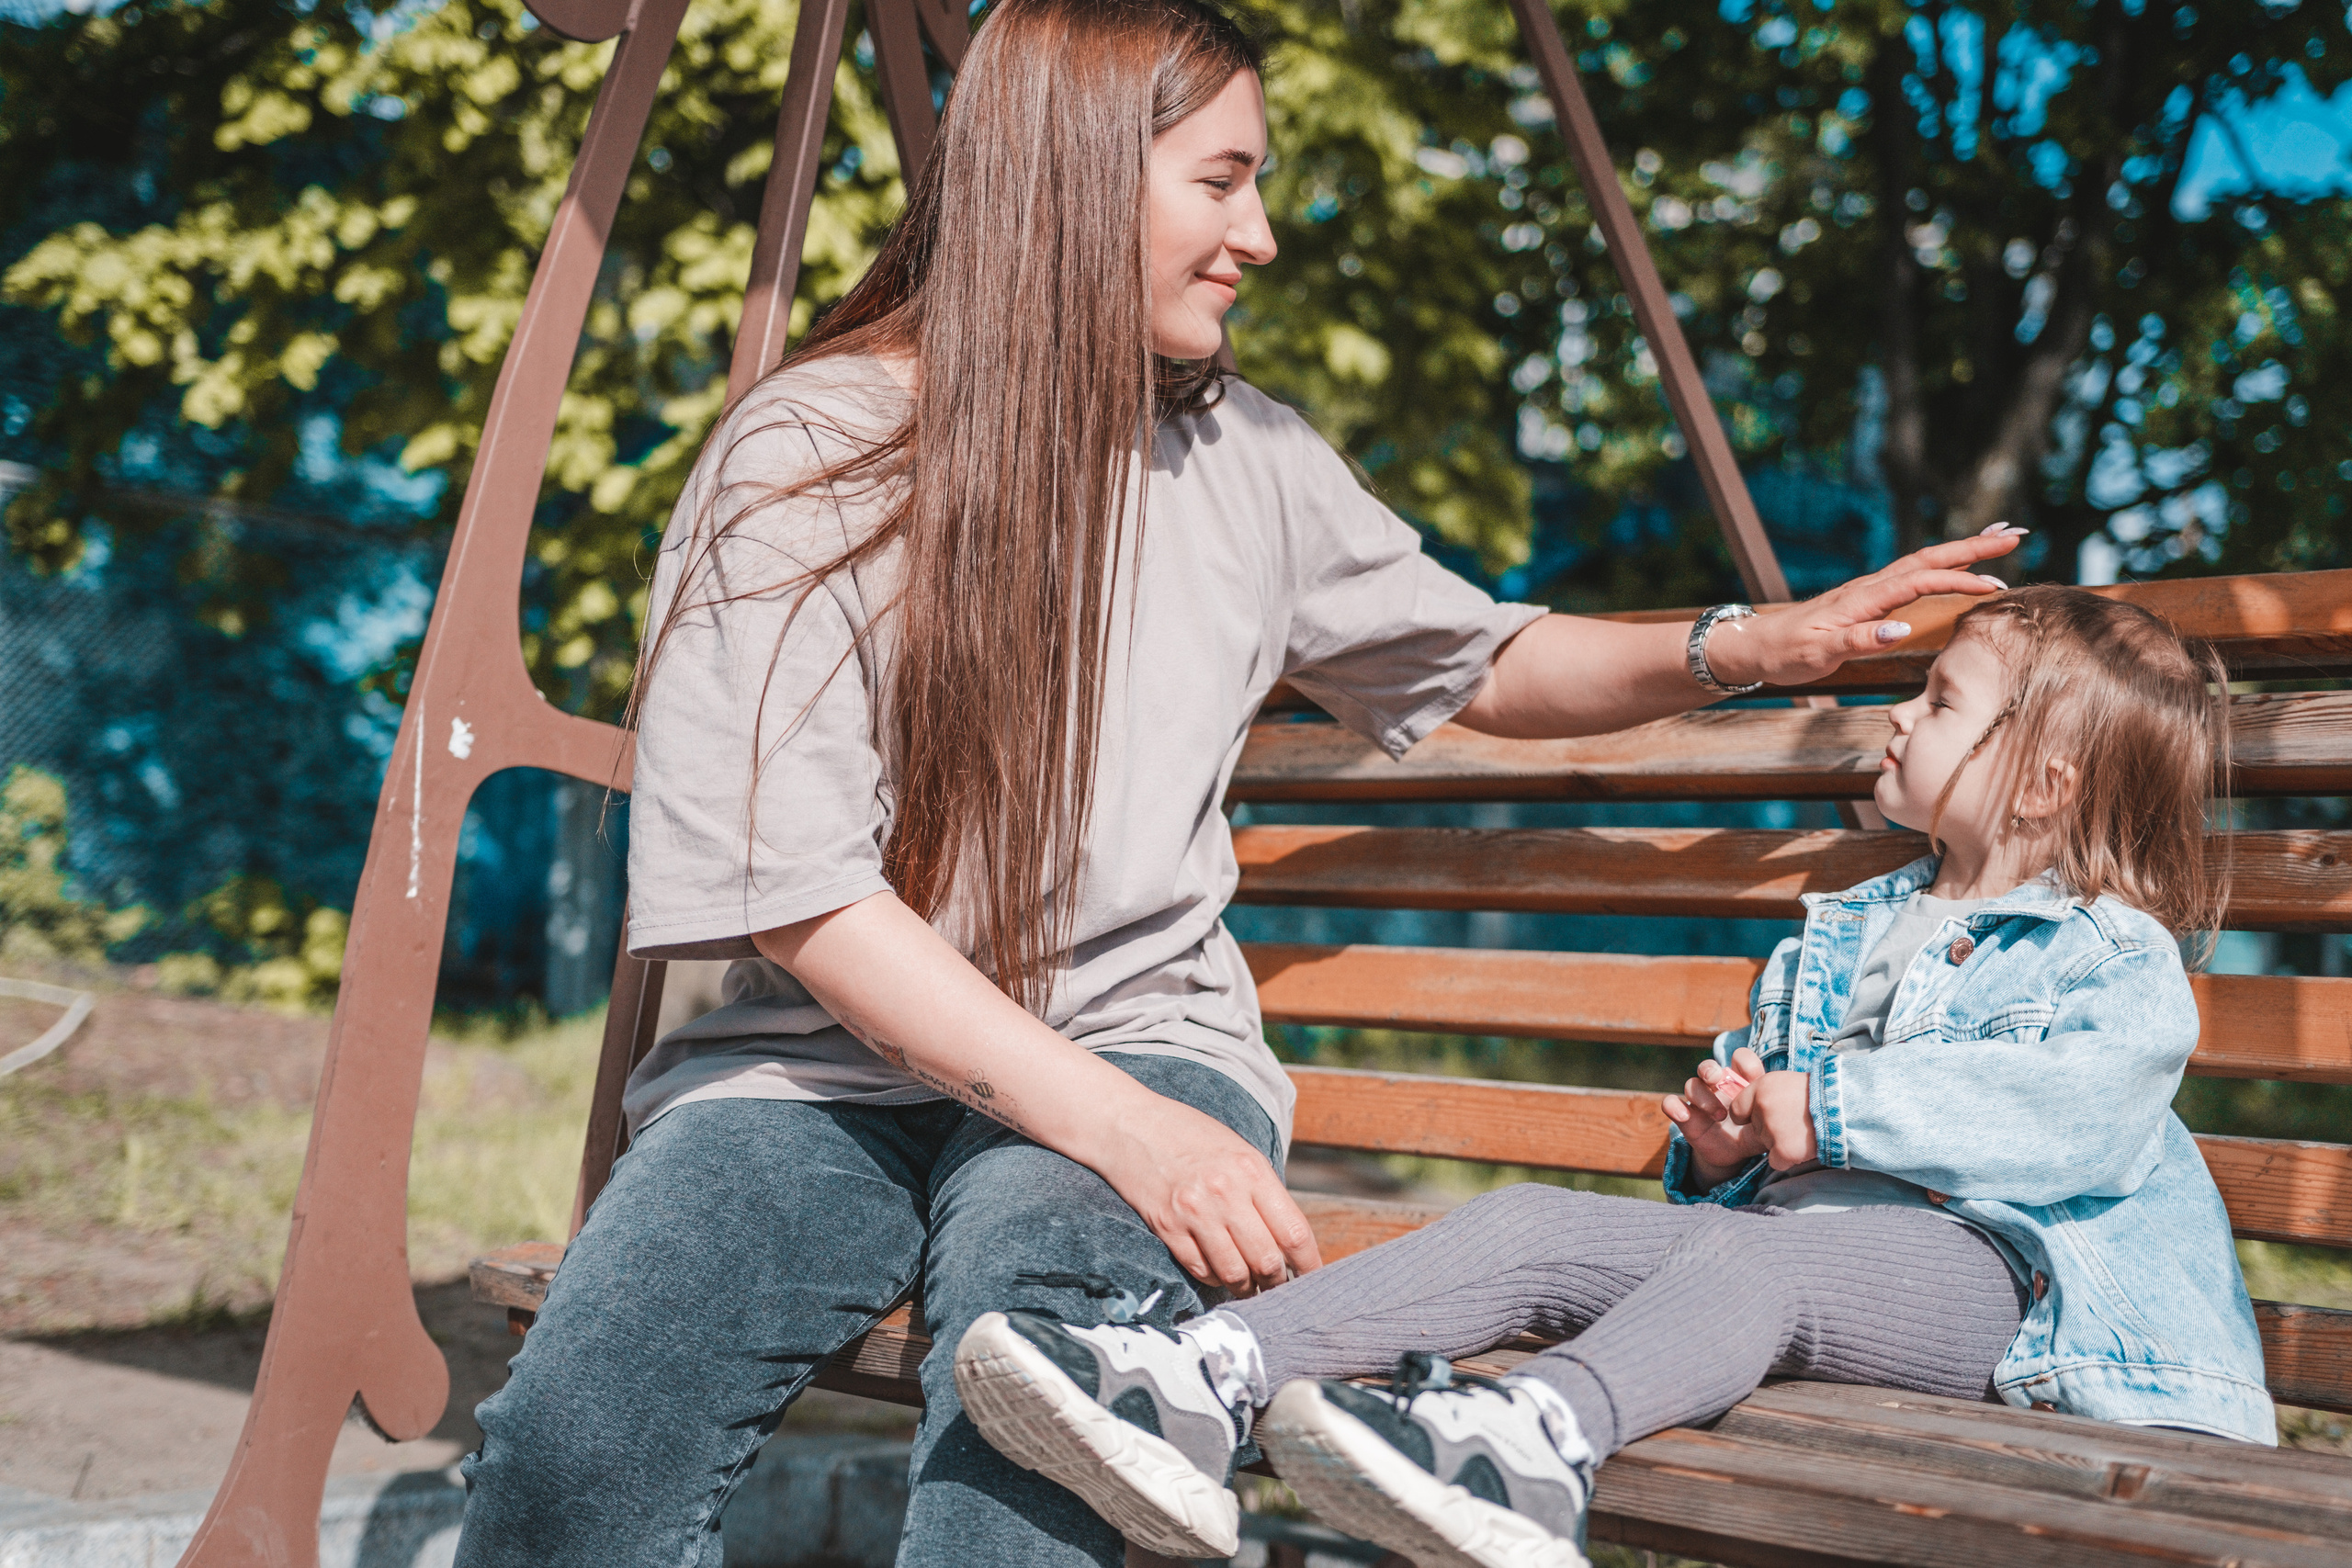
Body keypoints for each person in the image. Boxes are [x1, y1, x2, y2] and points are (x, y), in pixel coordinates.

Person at [449, 1, 2020, 1563]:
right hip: (824, 1071)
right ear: (1072, 175)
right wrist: (1136, 1138)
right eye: (1221, 180)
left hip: (1144, 1036)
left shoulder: (1251, 458)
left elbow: (1478, 659)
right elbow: (802, 896)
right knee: (573, 1449)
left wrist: (1754, 642)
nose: (1259, 235)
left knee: (1041, 1404)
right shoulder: (810, 453)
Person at [955, 584, 2271, 1568]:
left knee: (1760, 1266)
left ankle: (1536, 1449)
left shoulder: (2110, 954)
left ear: (2043, 785)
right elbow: (1766, 1178)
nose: (1897, 713)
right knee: (1534, 1223)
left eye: (1938, 704)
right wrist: (1724, 1150)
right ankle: (1203, 1381)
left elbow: (2079, 1121)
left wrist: (1830, 1112)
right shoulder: (1855, 924)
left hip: (2003, 1294)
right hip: (1810, 1267)